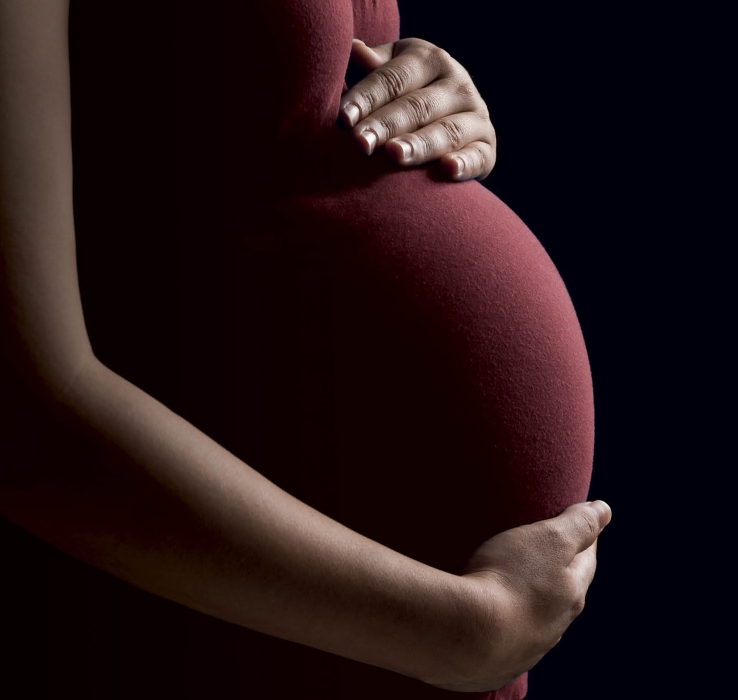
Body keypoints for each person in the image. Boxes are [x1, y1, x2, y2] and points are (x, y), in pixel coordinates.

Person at [0, 2, 609, 698]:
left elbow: (240, 136)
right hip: (205, 634)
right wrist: (462, 631)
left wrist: (422, 92)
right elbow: (23, 416)